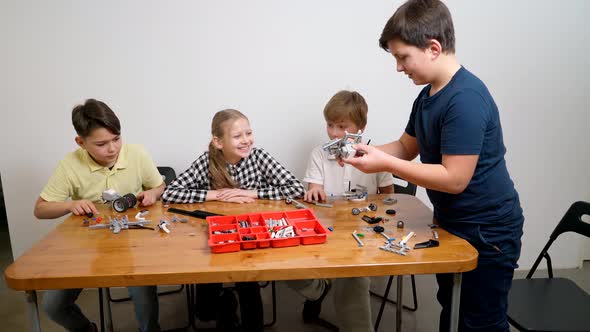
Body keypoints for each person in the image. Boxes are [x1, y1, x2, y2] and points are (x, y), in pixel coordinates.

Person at [343, 1, 525, 331]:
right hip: (454, 222)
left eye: (402, 57)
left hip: (488, 230)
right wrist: (363, 152)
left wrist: (386, 163)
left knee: (479, 321)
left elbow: (454, 179)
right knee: (453, 309)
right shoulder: (428, 95)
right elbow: (405, 147)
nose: (399, 67)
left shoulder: (466, 98)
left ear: (433, 48)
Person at [162, 109, 305, 332]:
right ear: (218, 142)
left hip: (250, 234)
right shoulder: (206, 161)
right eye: (238, 136)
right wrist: (216, 194)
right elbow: (171, 194)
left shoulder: (259, 157)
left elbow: (295, 188)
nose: (246, 140)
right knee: (206, 310)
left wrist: (253, 193)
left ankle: (248, 318)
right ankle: (225, 304)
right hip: (217, 234)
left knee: (247, 280)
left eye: (249, 133)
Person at [34, 99, 165, 332]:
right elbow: (40, 209)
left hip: (133, 246)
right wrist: (70, 205)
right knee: (53, 305)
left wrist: (153, 194)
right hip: (87, 249)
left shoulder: (136, 153)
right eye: (102, 144)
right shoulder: (70, 164)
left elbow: (160, 186)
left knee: (145, 298)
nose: (113, 149)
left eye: (117, 139)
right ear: (81, 142)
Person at [290, 90, 394, 332]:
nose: (335, 133)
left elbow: (390, 197)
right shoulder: (319, 153)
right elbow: (314, 187)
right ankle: (319, 288)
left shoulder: (377, 156)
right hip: (326, 228)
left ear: (361, 127)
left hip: (362, 230)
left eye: (342, 126)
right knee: (282, 260)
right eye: (330, 125)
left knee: (353, 276)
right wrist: (314, 191)